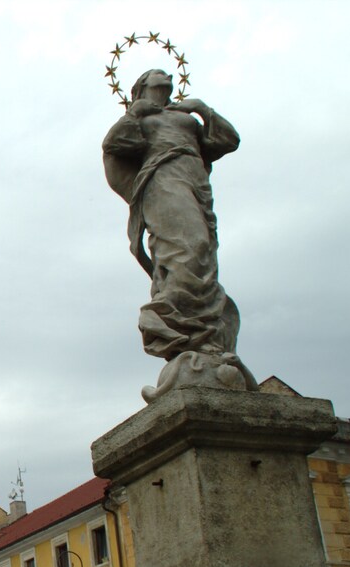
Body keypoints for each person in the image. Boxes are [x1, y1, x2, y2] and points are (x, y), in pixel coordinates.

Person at [102, 69, 255, 400]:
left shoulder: (185, 115)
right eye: (157, 73)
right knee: (188, 247)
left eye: (168, 72)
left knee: (203, 255)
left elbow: (228, 141)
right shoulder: (142, 116)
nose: (167, 74)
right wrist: (134, 114)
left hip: (195, 181)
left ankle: (206, 340)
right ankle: (173, 324)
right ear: (142, 85)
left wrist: (203, 110)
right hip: (162, 180)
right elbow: (113, 145)